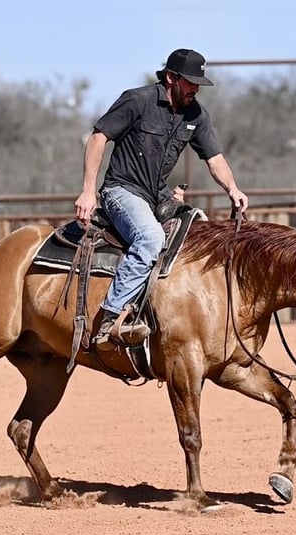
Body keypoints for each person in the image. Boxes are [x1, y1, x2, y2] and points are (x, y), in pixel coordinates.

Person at [74, 48, 249, 349]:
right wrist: (89, 191)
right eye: (190, 82)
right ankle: (109, 317)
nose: (195, 89)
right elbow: (98, 138)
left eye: (199, 84)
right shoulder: (138, 100)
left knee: (202, 233)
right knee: (150, 238)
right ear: (171, 78)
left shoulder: (196, 115)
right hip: (122, 191)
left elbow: (214, 158)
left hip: (157, 197)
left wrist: (233, 189)